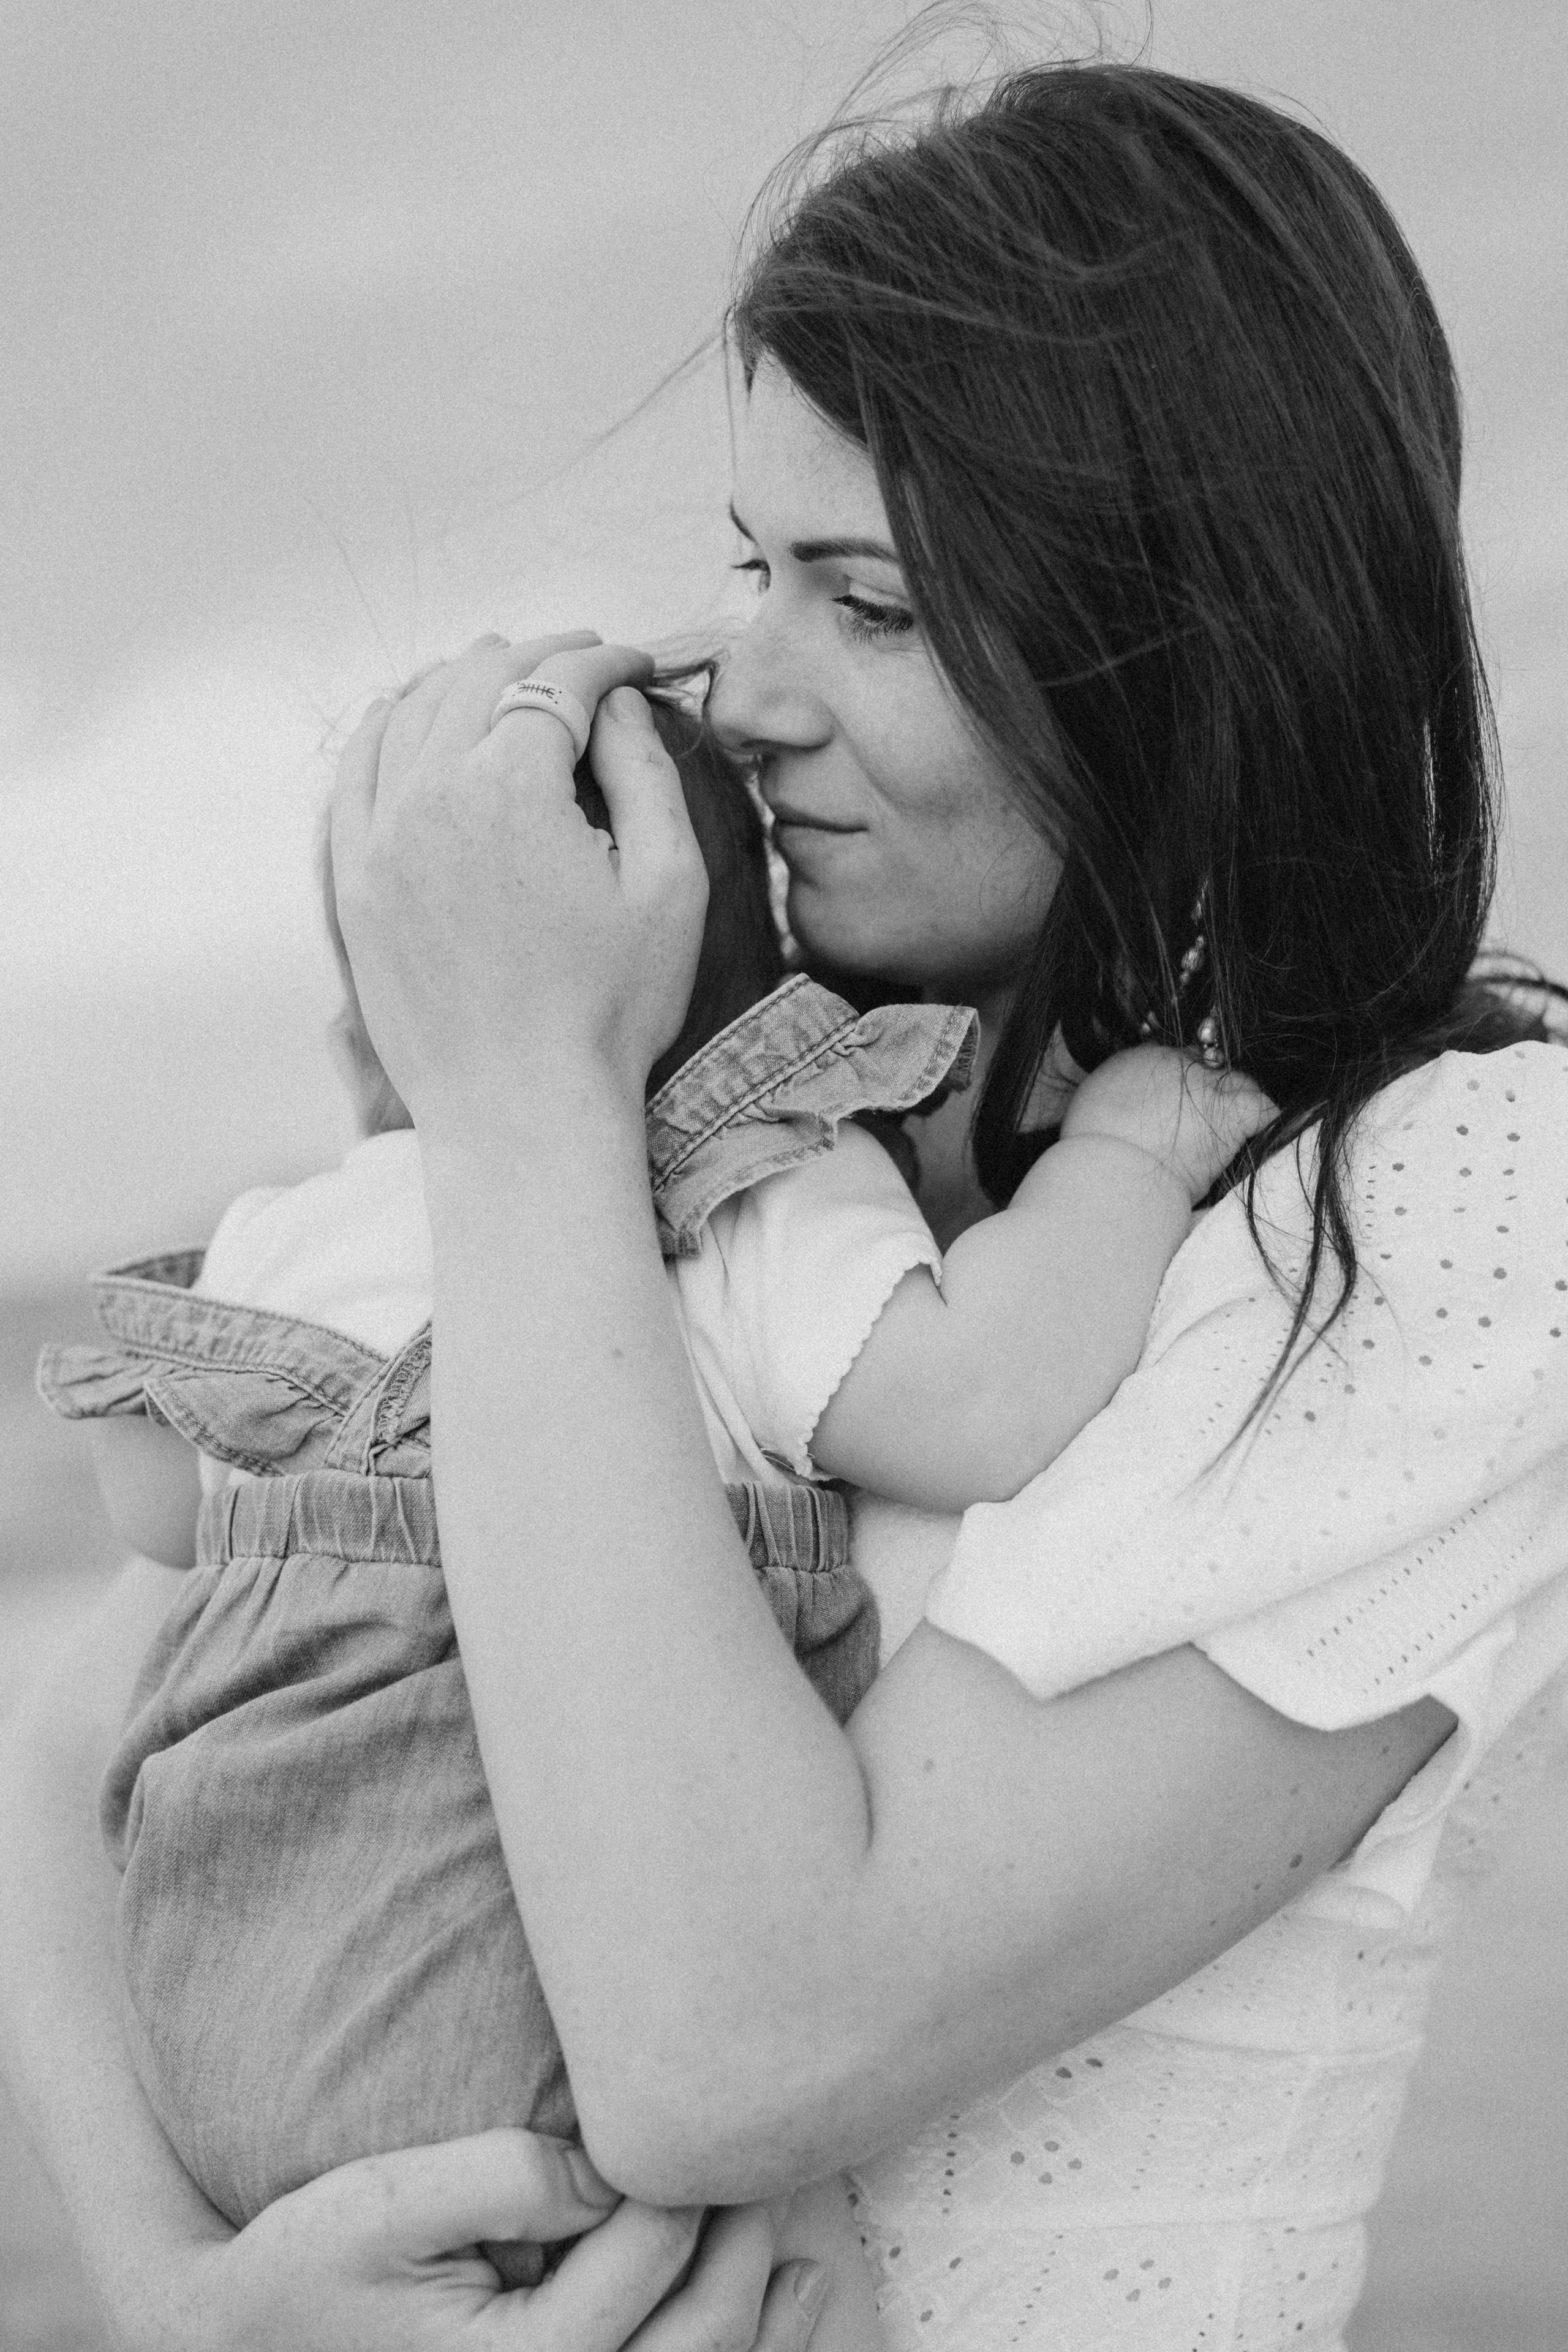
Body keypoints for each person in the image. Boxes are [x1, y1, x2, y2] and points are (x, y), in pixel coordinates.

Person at [4, 54, 1567, 2352]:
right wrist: (171, 2293)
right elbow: (75, 1720)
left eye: (877, 606)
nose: (743, 688)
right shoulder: (765, 1109)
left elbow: (734, 2040)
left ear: (1206, 640)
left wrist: (521, 1098)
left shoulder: (1460, 1205)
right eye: (754, 570)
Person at [34, 677, 1265, 2340]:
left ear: (369, 1021)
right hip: (514, 2062)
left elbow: (157, 1505)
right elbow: (984, 1403)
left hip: (226, 2051)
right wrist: (1131, 1147)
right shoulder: (741, 1189)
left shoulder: (299, 1226)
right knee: (799, 2268)